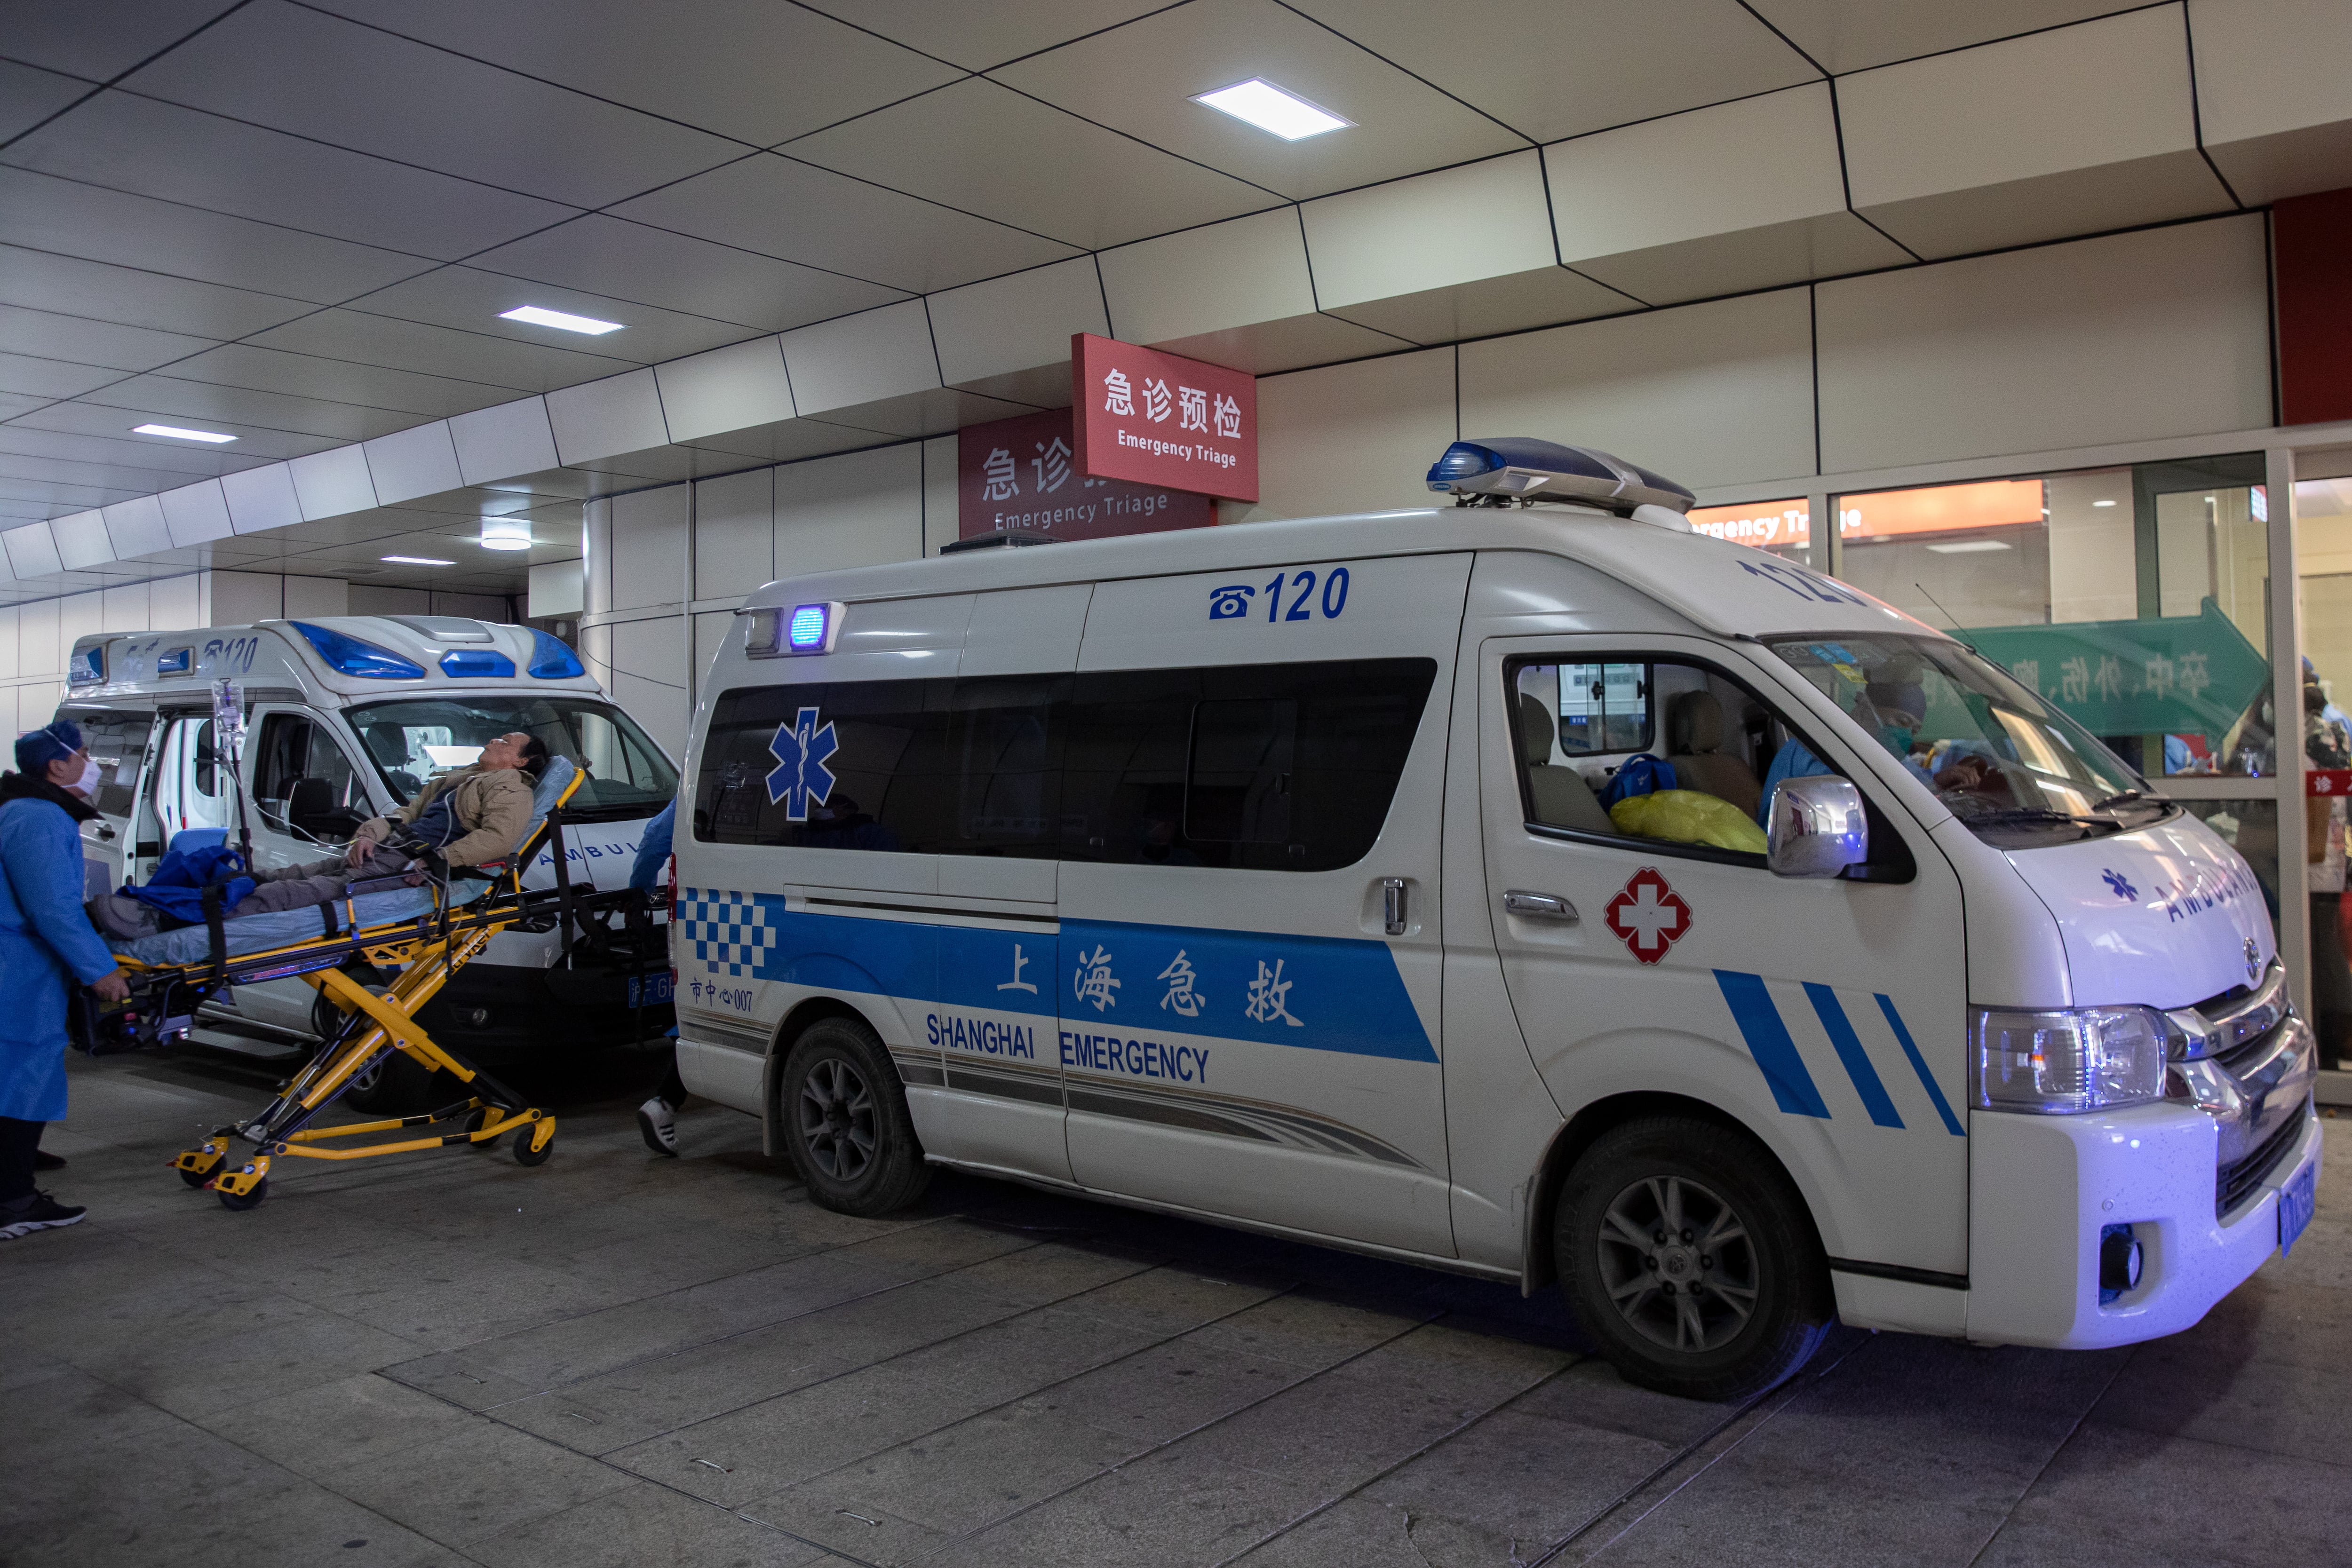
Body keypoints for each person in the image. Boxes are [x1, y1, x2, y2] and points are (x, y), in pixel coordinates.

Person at [0, 721, 130, 1239]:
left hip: (16, 965)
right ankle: (13, 1200)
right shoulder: (38, 817)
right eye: (82, 755)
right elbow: (53, 908)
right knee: (23, 1079)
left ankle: (15, 1166)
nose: (89, 763)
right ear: (57, 765)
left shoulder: (19, 809)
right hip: (18, 972)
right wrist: (100, 969)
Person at [237, 732, 549, 914]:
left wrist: (437, 861)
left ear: (521, 761)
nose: (495, 739)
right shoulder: (460, 780)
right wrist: (369, 835)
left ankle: (221, 914)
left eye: (505, 742)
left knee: (316, 889)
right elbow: (406, 815)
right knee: (295, 874)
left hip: (411, 863)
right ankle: (223, 889)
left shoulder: (511, 788)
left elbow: (498, 839)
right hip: (390, 849)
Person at [628, 798, 687, 1156]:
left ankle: (665, 1104)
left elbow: (655, 839)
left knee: (713, 1007)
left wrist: (638, 894)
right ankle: (665, 1101)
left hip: (717, 908)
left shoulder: (725, 767)